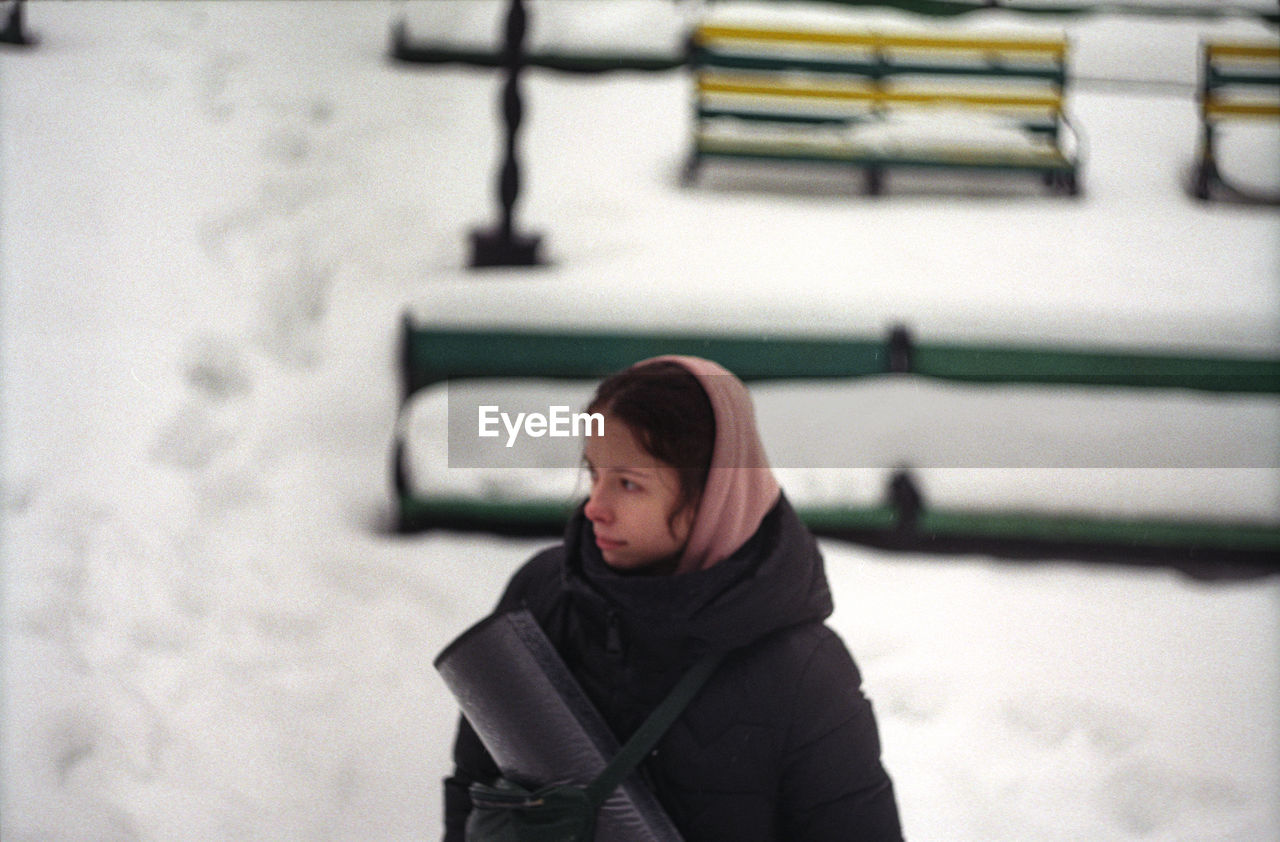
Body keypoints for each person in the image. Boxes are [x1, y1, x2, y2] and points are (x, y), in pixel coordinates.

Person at [443, 356, 903, 842]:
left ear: (713, 491)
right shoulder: (539, 596)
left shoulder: (806, 672)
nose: (595, 506)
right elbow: (474, 788)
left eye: (628, 484)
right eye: (593, 474)